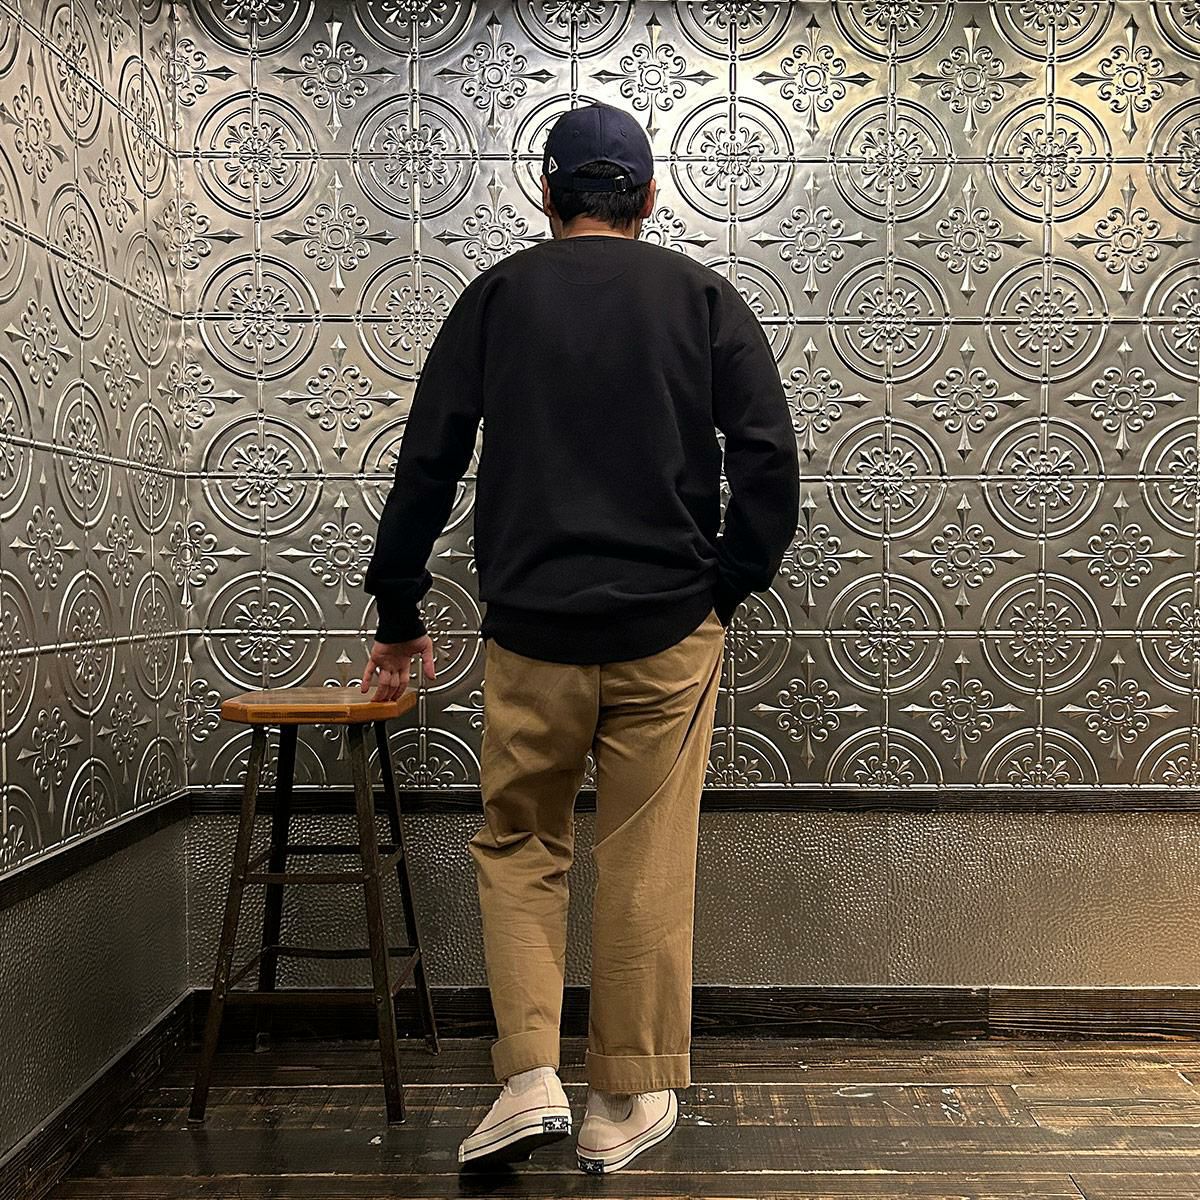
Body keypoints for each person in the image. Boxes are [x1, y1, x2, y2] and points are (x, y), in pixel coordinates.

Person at [360, 100, 800, 1174]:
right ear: (648, 197)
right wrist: (726, 587)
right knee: (645, 854)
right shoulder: (704, 296)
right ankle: (622, 1098)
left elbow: (427, 460)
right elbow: (769, 460)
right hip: (669, 629)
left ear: (545, 194)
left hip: (531, 628)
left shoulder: (497, 295)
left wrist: (400, 614)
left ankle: (526, 1077)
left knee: (520, 844)